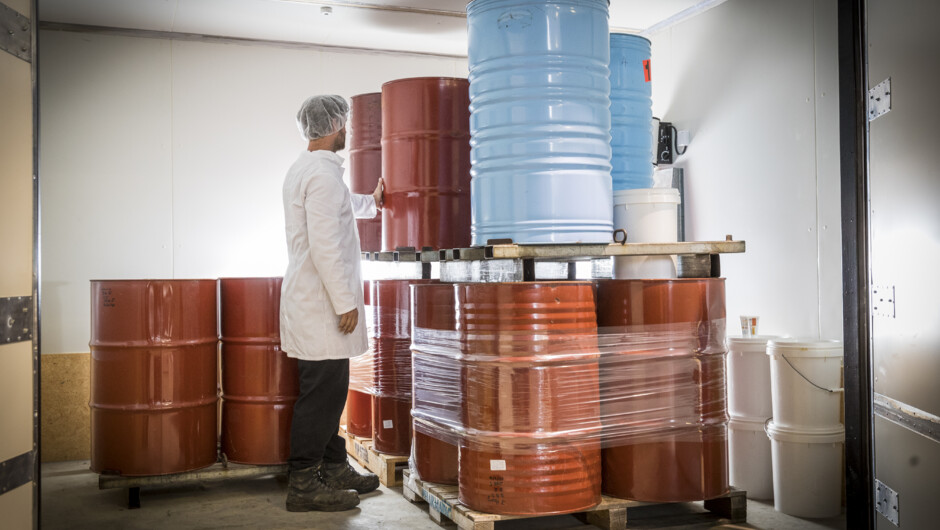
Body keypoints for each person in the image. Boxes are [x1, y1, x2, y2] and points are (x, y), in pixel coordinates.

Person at [280, 94, 384, 512]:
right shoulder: (321, 176)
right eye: (346, 124)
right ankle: (303, 484)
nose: (349, 130)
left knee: (329, 394)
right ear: (335, 127)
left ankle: (335, 466)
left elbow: (338, 210)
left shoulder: (313, 171)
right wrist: (345, 303)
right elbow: (325, 245)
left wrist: (371, 201)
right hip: (322, 308)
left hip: (313, 304)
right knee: (320, 398)